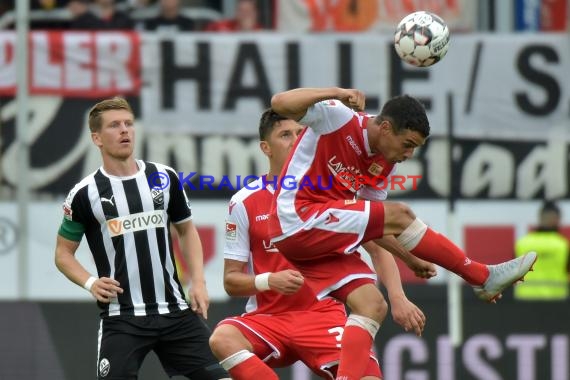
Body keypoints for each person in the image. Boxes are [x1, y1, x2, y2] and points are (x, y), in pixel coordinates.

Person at [267, 87, 538, 380]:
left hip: (313, 238)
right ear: (385, 127)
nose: (409, 154)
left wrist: (408, 259)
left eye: (414, 149)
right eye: (407, 144)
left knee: (372, 305)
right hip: (295, 217)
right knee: (401, 214)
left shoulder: (384, 162)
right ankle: (481, 276)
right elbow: (279, 103)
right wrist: (337, 91)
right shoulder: (338, 117)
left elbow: (373, 228)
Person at [208, 109, 434, 380]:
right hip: (269, 318)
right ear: (265, 148)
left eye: (300, 133)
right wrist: (270, 280)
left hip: (324, 314)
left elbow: (376, 244)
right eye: (284, 135)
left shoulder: (330, 192)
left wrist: (398, 297)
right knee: (222, 338)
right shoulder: (244, 202)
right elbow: (231, 281)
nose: (294, 140)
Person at [54, 97, 229, 380]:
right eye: (114, 126)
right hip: (122, 317)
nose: (124, 130)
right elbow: (62, 254)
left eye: (128, 124)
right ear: (97, 138)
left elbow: (186, 230)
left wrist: (198, 282)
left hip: (176, 311)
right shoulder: (84, 194)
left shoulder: (164, 177)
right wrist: (90, 282)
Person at [514, 200, 569, 300]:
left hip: (525, 301)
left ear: (540, 218)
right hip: (556, 301)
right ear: (556, 219)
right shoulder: (563, 245)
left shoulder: (522, 244)